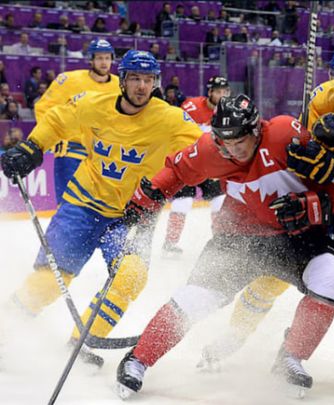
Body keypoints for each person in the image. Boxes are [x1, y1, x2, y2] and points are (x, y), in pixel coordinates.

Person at [115, 94, 334, 398]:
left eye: (240, 141)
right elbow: (177, 170)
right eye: (226, 142)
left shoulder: (283, 133)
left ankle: (291, 358)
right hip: (238, 238)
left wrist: (316, 205)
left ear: (256, 129)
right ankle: (137, 359)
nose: (234, 150)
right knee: (195, 298)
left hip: (297, 238)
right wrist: (148, 197)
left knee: (332, 276)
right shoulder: (212, 149)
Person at [199, 38, 334, 372]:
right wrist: (308, 147)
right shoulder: (324, 96)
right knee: (271, 274)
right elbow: (300, 141)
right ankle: (234, 336)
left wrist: (332, 166)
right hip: (310, 194)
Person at [0, 50, 202, 367]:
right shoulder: (94, 104)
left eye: (148, 80)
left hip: (131, 215)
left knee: (131, 276)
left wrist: (214, 173)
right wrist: (32, 146)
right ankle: (5, 330)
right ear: (122, 81)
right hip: (81, 206)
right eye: (135, 78)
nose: (141, 86)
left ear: (156, 83)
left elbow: (204, 147)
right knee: (51, 282)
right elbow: (57, 120)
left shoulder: (170, 118)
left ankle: (81, 343)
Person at [34, 39, 120, 204]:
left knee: (100, 207)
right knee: (68, 204)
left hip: (104, 155)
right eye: (99, 58)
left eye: (107, 58)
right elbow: (44, 107)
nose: (104, 62)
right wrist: (53, 137)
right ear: (91, 60)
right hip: (72, 151)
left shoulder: (120, 86)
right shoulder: (68, 80)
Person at [161, 75, 231, 256]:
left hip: (211, 165)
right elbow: (175, 128)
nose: (222, 96)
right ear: (210, 92)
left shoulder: (228, 113)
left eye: (225, 92)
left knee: (219, 202)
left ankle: (220, 243)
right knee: (182, 203)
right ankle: (169, 244)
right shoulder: (191, 107)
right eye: (218, 92)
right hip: (188, 162)